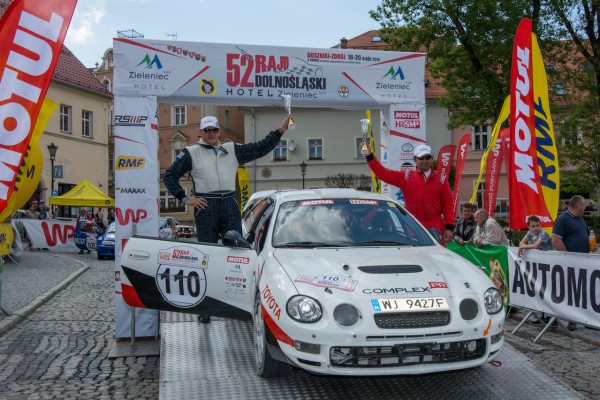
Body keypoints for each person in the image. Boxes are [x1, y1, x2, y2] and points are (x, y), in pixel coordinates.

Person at [164, 114, 292, 322]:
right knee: (205, 258)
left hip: (229, 203)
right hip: (206, 205)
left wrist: (280, 131)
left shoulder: (232, 149)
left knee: (237, 257)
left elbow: (259, 148)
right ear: (201, 133)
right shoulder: (191, 152)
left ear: (219, 131)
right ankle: (204, 308)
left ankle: (239, 305)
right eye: (207, 131)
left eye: (214, 130)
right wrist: (186, 199)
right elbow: (169, 175)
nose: (211, 134)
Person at [362, 142, 454, 243]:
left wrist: (449, 227)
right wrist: (370, 156)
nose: (424, 161)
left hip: (435, 224)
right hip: (414, 224)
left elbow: (448, 204)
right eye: (421, 158)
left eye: (427, 157)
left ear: (432, 158)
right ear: (415, 160)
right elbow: (384, 174)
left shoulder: (441, 179)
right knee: (414, 256)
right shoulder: (407, 176)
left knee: (437, 256)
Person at [552, 195, 597, 331]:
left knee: (584, 290)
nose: (584, 208)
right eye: (583, 205)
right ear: (578, 205)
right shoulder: (563, 219)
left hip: (583, 260)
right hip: (571, 262)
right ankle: (573, 320)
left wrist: (593, 246)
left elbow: (587, 236)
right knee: (572, 291)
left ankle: (587, 318)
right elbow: (556, 240)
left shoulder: (580, 219)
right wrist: (567, 255)